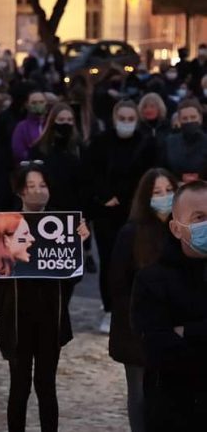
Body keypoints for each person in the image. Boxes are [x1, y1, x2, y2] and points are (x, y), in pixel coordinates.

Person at [0, 164, 89, 432]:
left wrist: (81, 243)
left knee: (46, 386)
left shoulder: (63, 226)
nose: (38, 192)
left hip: (49, 319)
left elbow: (72, 276)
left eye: (42, 186)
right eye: (31, 186)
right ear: (20, 191)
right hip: (16, 318)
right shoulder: (5, 224)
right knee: (19, 387)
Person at [131, 180, 207, 431]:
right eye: (199, 217)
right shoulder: (152, 280)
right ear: (176, 228)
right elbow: (158, 349)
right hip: (174, 411)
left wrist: (188, 332)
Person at [109, 168, 178, 432]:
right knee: (139, 392)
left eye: (169, 191)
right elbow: (117, 283)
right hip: (136, 328)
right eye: (157, 192)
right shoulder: (131, 233)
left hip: (175, 326)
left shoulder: (183, 231)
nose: (164, 197)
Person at [84, 100, 156, 334]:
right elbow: (91, 172)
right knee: (109, 261)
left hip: (136, 211)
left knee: (137, 260)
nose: (126, 123)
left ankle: (136, 308)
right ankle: (110, 309)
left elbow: (149, 175)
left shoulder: (146, 142)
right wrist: (104, 196)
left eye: (130, 119)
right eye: (122, 119)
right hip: (107, 212)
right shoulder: (101, 142)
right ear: (115, 119)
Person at [29, 103, 85, 213]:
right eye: (61, 119)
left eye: (69, 120)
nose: (66, 123)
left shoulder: (79, 147)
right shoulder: (39, 149)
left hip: (73, 209)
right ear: (52, 121)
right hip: (45, 207)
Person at [159, 99, 207, 182]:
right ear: (179, 120)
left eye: (193, 117)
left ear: (200, 118)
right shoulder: (169, 142)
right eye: (185, 118)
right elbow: (163, 169)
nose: (189, 121)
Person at [11, 90, 47, 163]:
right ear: (27, 105)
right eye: (34, 103)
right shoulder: (22, 127)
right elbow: (19, 152)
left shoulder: (50, 123)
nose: (38, 105)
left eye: (41, 102)